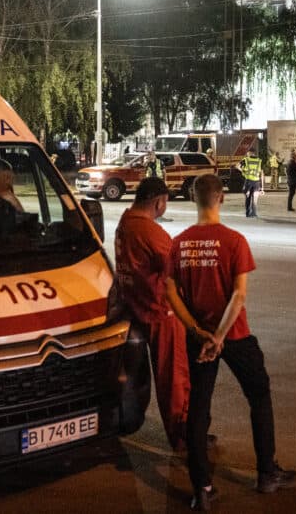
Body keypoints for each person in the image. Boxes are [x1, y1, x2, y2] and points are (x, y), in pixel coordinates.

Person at [166, 174, 296, 510]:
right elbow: (238, 296)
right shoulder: (234, 241)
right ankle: (266, 473)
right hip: (234, 335)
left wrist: (198, 332)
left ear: (194, 199)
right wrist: (221, 337)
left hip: (200, 340)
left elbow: (170, 292)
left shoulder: (179, 243)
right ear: (221, 198)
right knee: (259, 397)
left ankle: (202, 489)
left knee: (198, 411)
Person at [114, 177, 190, 451]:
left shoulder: (125, 222)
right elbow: (175, 265)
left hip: (136, 307)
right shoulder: (148, 230)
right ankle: (183, 437)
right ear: (158, 202)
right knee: (174, 379)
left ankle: (185, 430)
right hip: (160, 311)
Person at [145, 151, 172, 221]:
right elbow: (144, 166)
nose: (149, 157)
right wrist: (147, 161)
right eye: (148, 155)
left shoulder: (160, 162)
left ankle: (158, 215)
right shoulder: (147, 162)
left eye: (150, 155)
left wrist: (165, 181)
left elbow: (164, 172)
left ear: (154, 155)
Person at [239, 147, 264, 218]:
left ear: (250, 152)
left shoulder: (246, 160)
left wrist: (243, 170)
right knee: (255, 198)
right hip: (256, 182)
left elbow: (237, 166)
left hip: (248, 181)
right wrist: (262, 188)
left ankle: (248, 213)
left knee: (248, 197)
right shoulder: (259, 161)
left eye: (247, 152)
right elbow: (262, 174)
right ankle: (254, 213)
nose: (247, 154)